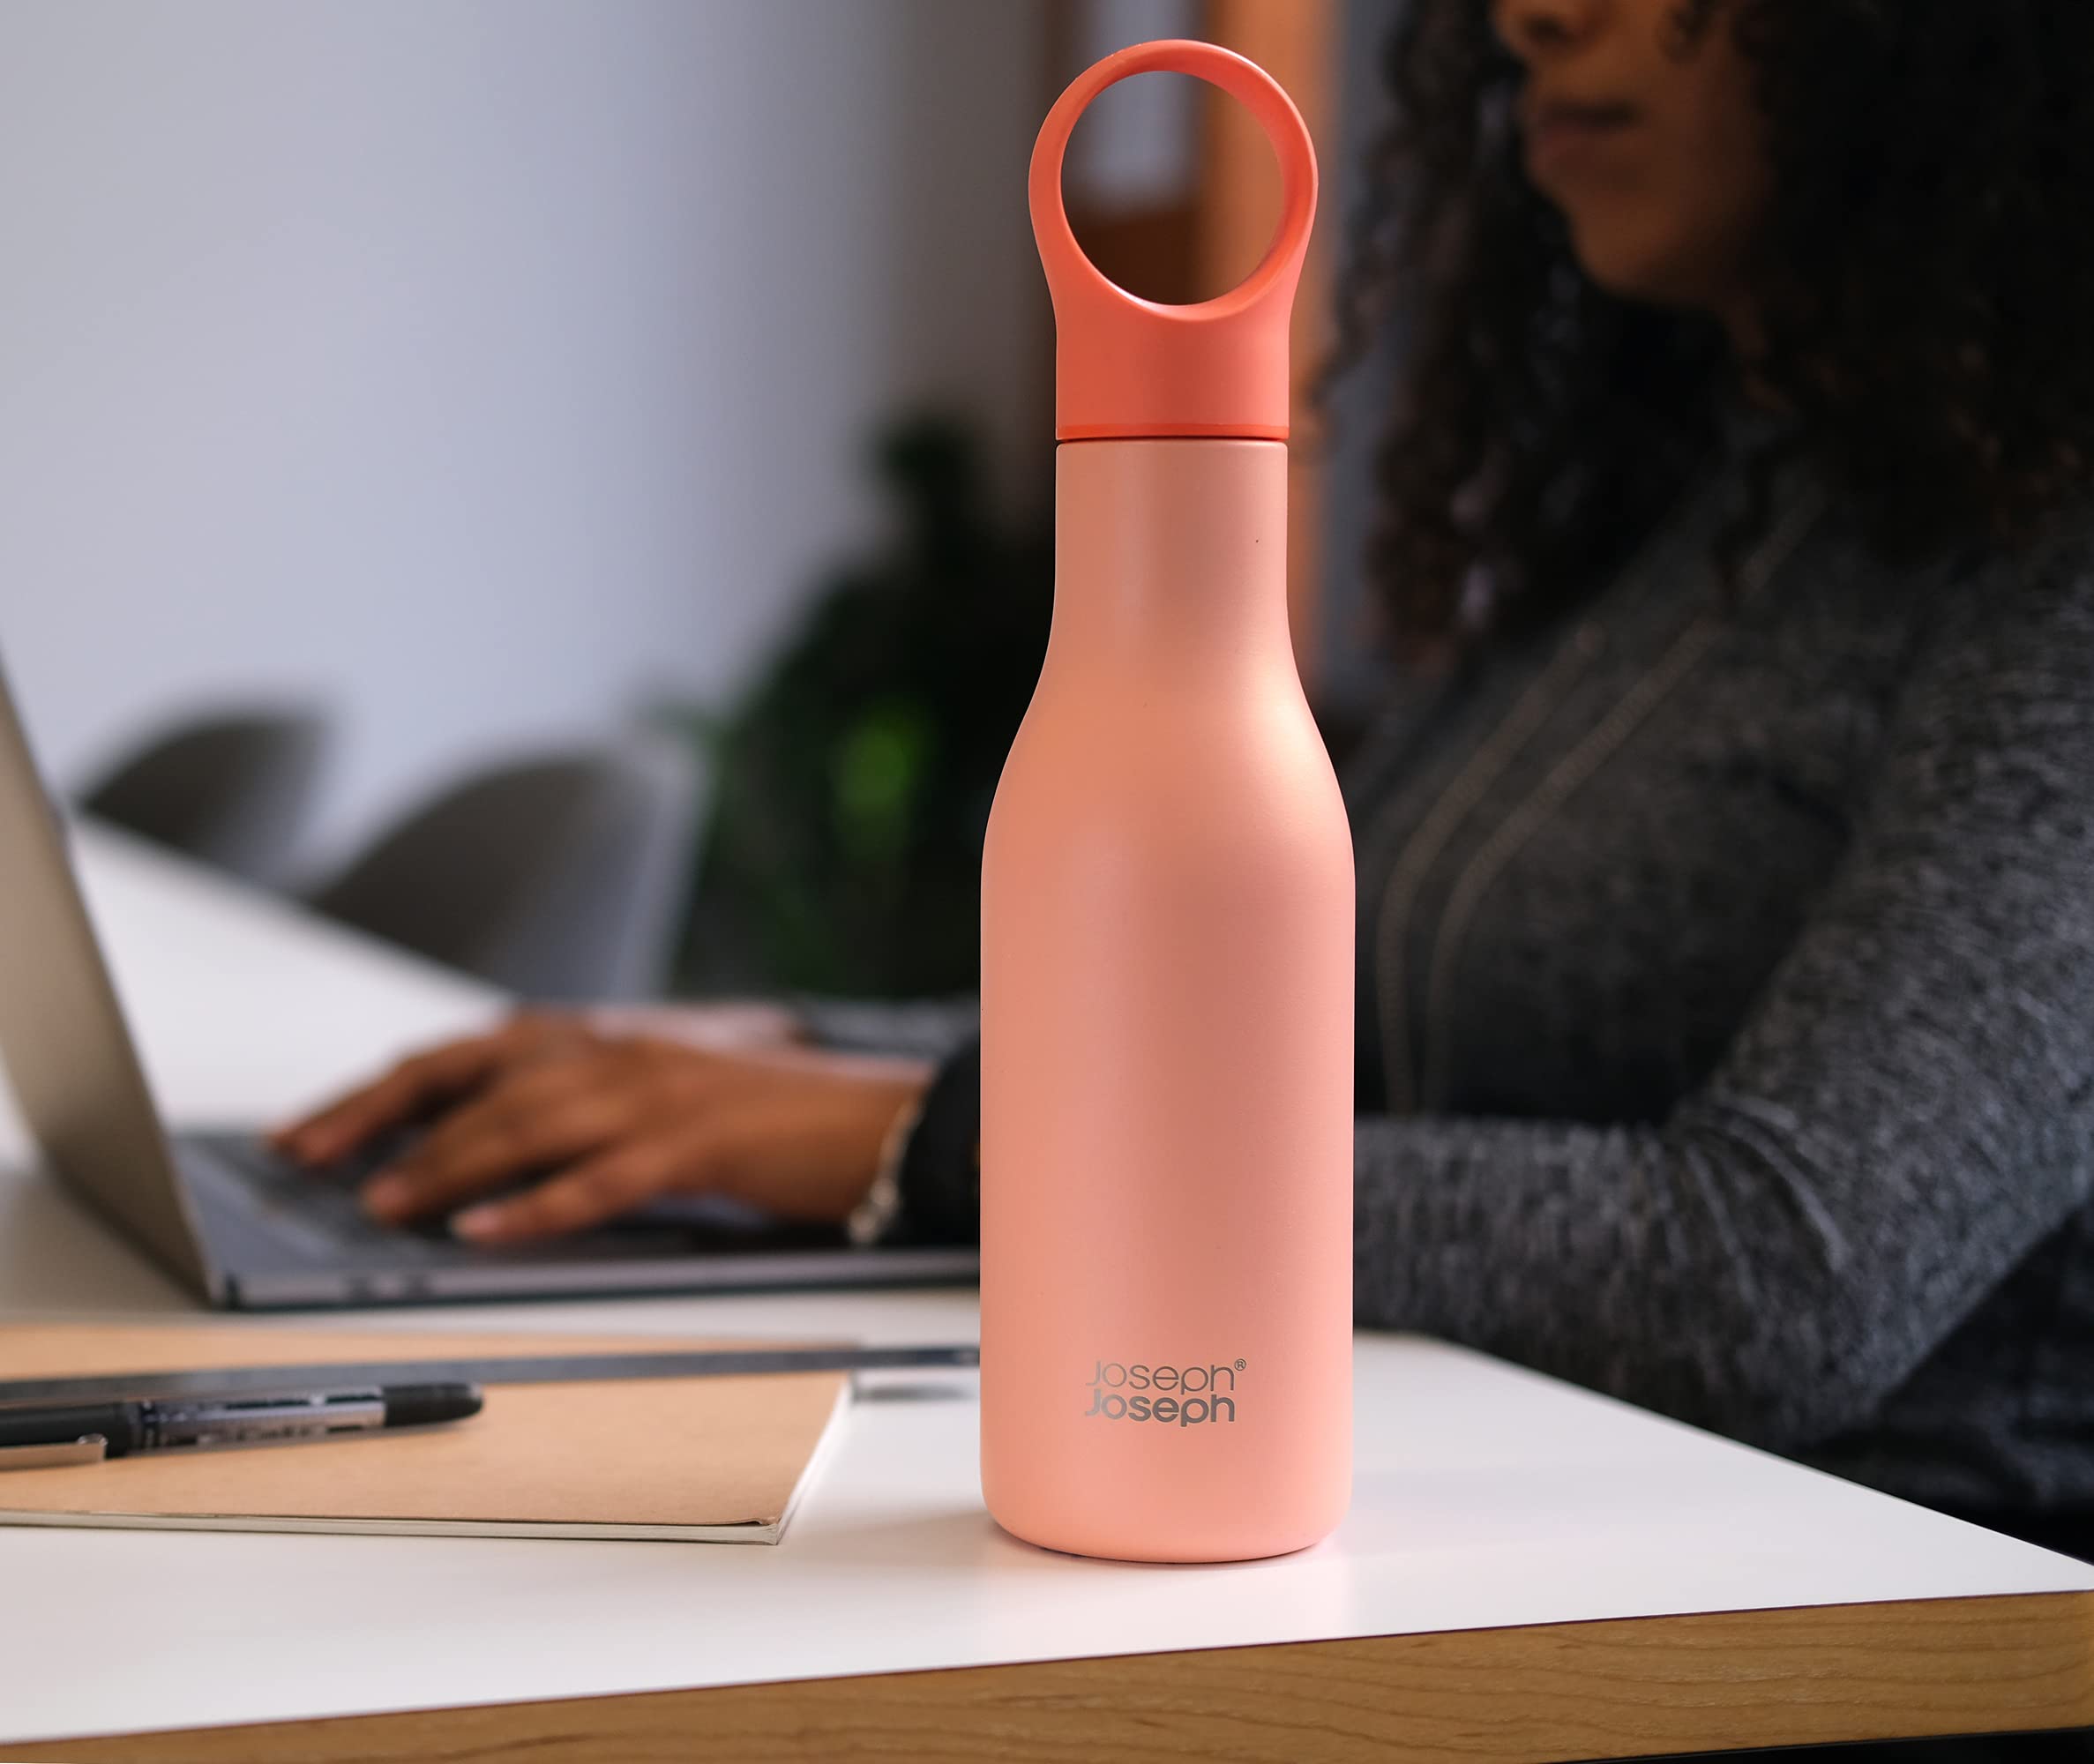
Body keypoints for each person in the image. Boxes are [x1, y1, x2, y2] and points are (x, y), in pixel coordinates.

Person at [280, 0, 2094, 1545]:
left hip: (1836, 1616)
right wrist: (790, 1053)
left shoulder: (2046, 573)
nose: (1532, 12)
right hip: (1480, 1517)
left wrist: (921, 1140)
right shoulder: (1660, 510)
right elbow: (1267, 1025)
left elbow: (1773, 1273)